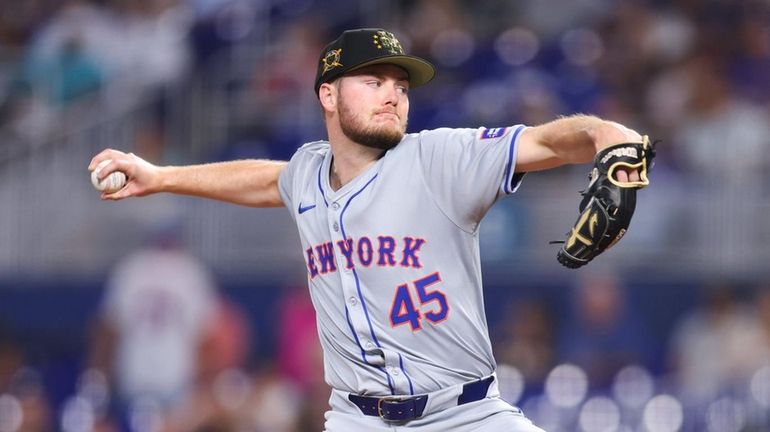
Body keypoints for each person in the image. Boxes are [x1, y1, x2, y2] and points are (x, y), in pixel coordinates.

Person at [89, 28, 647, 432]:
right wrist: (161, 177)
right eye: (374, 80)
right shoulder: (307, 173)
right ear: (327, 94)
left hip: (466, 415)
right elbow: (265, 181)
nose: (393, 94)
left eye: (401, 85)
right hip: (357, 420)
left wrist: (611, 139)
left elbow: (552, 142)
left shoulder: (438, 158)